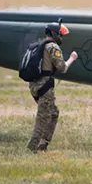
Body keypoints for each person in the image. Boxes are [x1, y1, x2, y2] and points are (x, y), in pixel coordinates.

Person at [27, 22, 78, 152]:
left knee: (53, 113)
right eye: (61, 34)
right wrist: (72, 58)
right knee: (43, 117)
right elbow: (63, 68)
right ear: (55, 34)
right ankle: (33, 147)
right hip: (45, 86)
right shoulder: (53, 47)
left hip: (35, 85)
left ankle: (43, 143)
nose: (62, 37)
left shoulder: (39, 45)